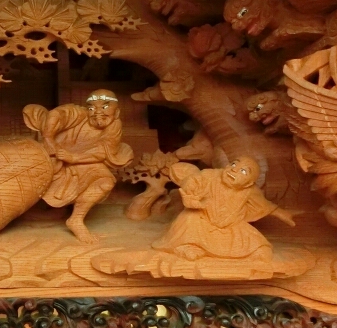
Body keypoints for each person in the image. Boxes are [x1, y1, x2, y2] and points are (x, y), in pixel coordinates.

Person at [23, 90, 134, 243]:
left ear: (117, 112)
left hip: (81, 162)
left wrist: (73, 158)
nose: (98, 112)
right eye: (92, 108)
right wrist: (48, 138)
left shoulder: (114, 126)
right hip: (52, 159)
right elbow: (56, 115)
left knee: (105, 182)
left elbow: (102, 151)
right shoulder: (79, 114)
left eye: (105, 107)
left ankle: (76, 219)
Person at [152, 157, 297, 262]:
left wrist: (281, 213)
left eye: (243, 171)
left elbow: (263, 205)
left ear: (249, 183)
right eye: (233, 164)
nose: (234, 169)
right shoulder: (210, 175)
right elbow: (194, 181)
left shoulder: (250, 191)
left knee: (253, 240)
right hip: (203, 220)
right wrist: (191, 194)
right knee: (189, 220)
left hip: (230, 225)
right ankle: (188, 247)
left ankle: (256, 251)